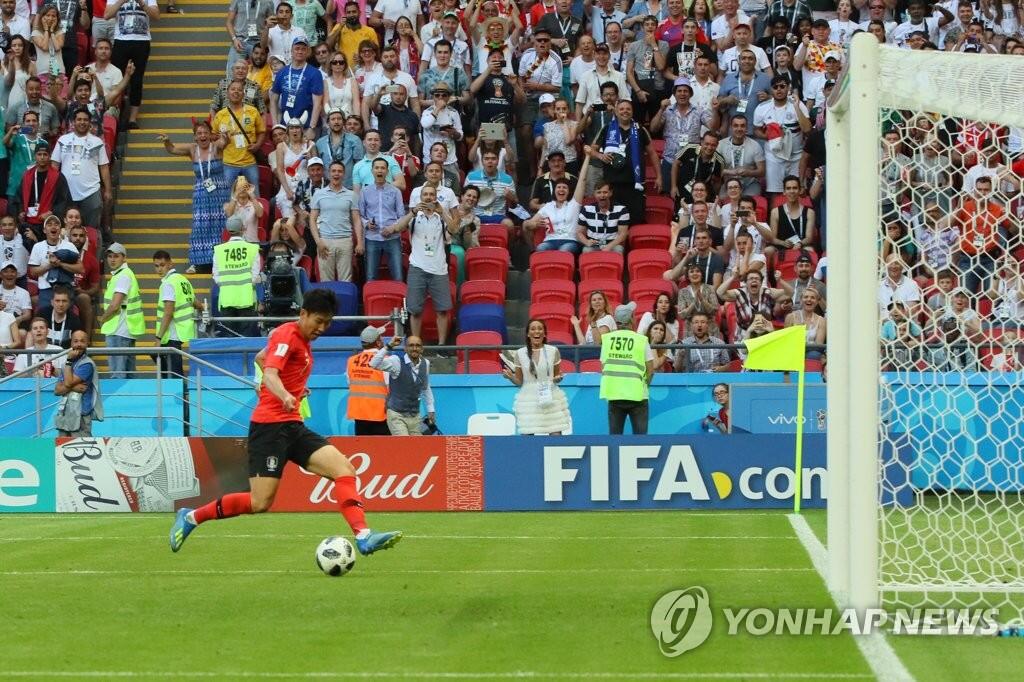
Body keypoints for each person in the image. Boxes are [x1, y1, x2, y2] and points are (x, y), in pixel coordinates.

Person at [170, 289, 403, 556]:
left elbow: (261, 357)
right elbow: (270, 372)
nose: (322, 328)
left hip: (293, 426)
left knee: (344, 470)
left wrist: (295, 388)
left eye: (327, 323)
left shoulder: (302, 342)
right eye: (318, 321)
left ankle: (363, 536)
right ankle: (191, 517)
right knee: (260, 502)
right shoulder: (286, 335)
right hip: (269, 428)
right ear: (303, 314)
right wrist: (283, 394)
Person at [160, 121, 230, 274]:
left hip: (220, 191)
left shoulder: (216, 147)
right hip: (201, 192)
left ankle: (220, 262)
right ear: (195, 137)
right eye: (199, 133)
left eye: (205, 132)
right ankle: (197, 263)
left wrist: (225, 136)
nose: (203, 135)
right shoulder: (192, 149)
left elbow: (224, 142)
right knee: (200, 226)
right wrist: (167, 141)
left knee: (220, 225)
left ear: (210, 135)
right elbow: (172, 149)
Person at [390, 183, 453, 344]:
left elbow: (455, 229)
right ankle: (415, 344)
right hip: (417, 268)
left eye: (432, 194)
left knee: (442, 311)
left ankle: (441, 346)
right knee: (415, 311)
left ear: (436, 197)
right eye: (425, 194)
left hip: (439, 269)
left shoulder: (442, 217)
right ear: (421, 197)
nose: (428, 197)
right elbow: (398, 228)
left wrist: (443, 212)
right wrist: (412, 212)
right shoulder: (414, 217)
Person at [500, 317, 571, 435]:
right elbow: (519, 382)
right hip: (528, 400)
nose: (536, 331)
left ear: (544, 333)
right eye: (533, 329)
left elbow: (556, 376)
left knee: (555, 435)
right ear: (528, 334)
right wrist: (511, 377)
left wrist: (558, 378)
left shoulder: (553, 351)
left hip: (550, 396)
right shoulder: (520, 353)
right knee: (528, 436)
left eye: (540, 329)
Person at [600, 302, 654, 435]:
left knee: (615, 440)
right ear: (631, 319)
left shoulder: (607, 340)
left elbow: (603, 366)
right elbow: (650, 370)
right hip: (638, 395)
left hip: (614, 394)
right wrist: (644, 385)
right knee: (640, 440)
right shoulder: (641, 340)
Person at [105, 0, 159, 129]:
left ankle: (132, 119)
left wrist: (142, 3)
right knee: (117, 79)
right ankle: (116, 115)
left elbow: (156, 16)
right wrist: (121, 1)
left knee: (137, 80)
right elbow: (106, 15)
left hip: (142, 41)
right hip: (121, 40)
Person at [369, 334, 436, 435]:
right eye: (411, 345)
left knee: (417, 444)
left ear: (422, 349)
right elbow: (373, 364)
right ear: (405, 348)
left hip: (415, 416)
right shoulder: (396, 361)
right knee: (404, 443)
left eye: (418, 346)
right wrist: (389, 346)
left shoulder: (425, 363)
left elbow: (425, 387)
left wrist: (431, 409)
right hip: (396, 414)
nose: (414, 348)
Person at [524, 154, 590, 254]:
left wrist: (588, 156)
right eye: (558, 187)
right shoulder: (548, 206)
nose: (561, 190)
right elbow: (528, 224)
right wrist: (535, 224)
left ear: (569, 191)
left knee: (563, 251)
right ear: (554, 191)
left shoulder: (574, 204)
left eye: (564, 188)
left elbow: (582, 179)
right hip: (550, 241)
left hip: (569, 241)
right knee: (540, 249)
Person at [309, 159, 363, 282]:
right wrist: (318, 242)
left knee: (346, 280)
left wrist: (360, 242)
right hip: (325, 242)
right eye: (333, 171)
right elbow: (312, 220)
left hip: (345, 241)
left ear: (344, 174)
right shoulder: (319, 194)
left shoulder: (352, 195)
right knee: (326, 281)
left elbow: (356, 220)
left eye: (339, 171)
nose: (336, 174)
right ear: (329, 173)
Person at [97, 243, 143, 378]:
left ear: (124, 258)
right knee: (128, 373)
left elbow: (115, 305)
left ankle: (118, 393)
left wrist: (103, 319)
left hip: (118, 329)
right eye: (110, 256)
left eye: (116, 256)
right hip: (124, 330)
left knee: (118, 374)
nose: (112, 259)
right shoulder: (123, 274)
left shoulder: (123, 276)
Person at [153, 250, 200, 378]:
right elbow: (195, 302)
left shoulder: (168, 284)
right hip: (182, 330)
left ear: (170, 264)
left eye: (162, 265)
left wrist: (158, 338)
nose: (159, 269)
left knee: (173, 372)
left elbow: (168, 312)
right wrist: (203, 309)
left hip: (172, 333)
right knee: (173, 369)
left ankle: (178, 390)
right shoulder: (183, 280)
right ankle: (178, 388)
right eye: (156, 266)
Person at [213, 215, 260, 337]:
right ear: (243, 228)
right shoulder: (252, 248)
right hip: (247, 299)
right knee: (245, 338)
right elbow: (255, 275)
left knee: (230, 338)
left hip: (227, 299)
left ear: (228, 230)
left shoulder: (219, 250)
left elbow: (216, 276)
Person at [358, 157, 405, 281]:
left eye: (383, 168)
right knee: (371, 276)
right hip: (372, 238)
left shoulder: (396, 191)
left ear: (387, 171)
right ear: (372, 171)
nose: (380, 170)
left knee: (398, 275)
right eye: (377, 168)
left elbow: (402, 216)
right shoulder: (365, 191)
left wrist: (392, 228)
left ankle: (399, 294)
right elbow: (360, 216)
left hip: (393, 237)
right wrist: (367, 224)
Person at [13, 142, 71, 242]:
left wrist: (52, 212)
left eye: (45, 154)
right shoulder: (27, 175)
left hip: (48, 222)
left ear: (50, 156)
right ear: (35, 156)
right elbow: (19, 196)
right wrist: (21, 211)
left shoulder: (58, 177)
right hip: (28, 220)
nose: (42, 157)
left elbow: (64, 200)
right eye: (39, 154)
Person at [54, 330, 103, 437]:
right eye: (75, 341)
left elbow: (68, 383)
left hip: (81, 414)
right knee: (63, 445)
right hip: (66, 412)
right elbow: (57, 390)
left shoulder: (87, 364)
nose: (79, 344)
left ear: (87, 343)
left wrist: (68, 362)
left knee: (81, 445)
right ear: (71, 343)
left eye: (82, 341)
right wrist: (73, 387)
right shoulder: (66, 364)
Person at [27, 215, 81, 310]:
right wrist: (50, 265)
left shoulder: (69, 246)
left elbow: (81, 269)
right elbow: (33, 272)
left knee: (65, 317)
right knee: (45, 317)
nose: (53, 227)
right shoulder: (38, 246)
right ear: (44, 230)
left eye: (56, 224)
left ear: (60, 229)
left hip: (66, 290)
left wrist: (60, 264)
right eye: (49, 224)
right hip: (46, 290)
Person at [347, 324, 391, 435]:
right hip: (380, 414)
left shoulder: (351, 361)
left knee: (363, 444)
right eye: (380, 337)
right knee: (383, 445)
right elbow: (391, 388)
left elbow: (349, 383)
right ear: (378, 342)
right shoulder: (385, 360)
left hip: (359, 413)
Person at [36, 284, 83, 349]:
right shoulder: (42, 314)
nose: (61, 304)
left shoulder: (74, 319)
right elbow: (31, 335)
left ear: (69, 303)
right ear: (52, 302)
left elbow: (77, 342)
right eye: (57, 301)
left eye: (64, 301)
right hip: (43, 353)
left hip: (65, 354)